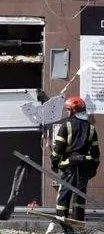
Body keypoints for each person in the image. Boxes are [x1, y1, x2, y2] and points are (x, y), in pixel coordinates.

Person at [51, 95, 99, 226]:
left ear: (72, 111)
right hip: (84, 168)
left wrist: (54, 162)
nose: (67, 112)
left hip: (69, 167)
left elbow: (58, 149)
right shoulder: (91, 128)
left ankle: (62, 224)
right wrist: (93, 168)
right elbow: (96, 154)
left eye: (68, 110)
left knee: (64, 195)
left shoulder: (66, 125)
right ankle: (78, 225)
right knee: (80, 197)